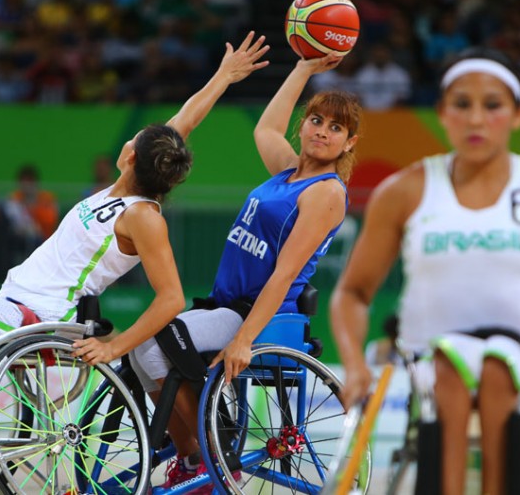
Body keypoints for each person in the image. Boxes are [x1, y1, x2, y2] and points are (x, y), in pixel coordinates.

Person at [0, 33, 269, 485]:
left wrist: (116, 346)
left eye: (133, 140)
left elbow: (170, 298)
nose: (130, 140)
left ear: (130, 157)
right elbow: (182, 124)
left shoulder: (143, 216)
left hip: (42, 315)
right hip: (14, 301)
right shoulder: (122, 189)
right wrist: (224, 77)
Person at [330, 49, 520, 495]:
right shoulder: (405, 191)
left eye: (492, 105)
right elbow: (353, 293)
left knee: (497, 368)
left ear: (519, 114)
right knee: (450, 369)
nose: (476, 118)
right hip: (428, 359)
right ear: (441, 113)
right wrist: (355, 365)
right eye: (462, 104)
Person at [129, 54, 360, 490]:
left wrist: (243, 340)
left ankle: (213, 453)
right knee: (139, 349)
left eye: (335, 128)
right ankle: (192, 456)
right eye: (316, 120)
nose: (321, 131)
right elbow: (266, 130)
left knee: (153, 342)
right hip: (230, 305)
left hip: (259, 314)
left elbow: (284, 275)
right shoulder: (288, 174)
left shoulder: (325, 192)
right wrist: (303, 70)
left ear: (348, 143)